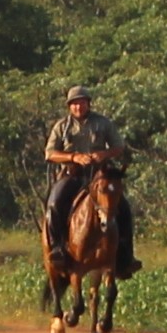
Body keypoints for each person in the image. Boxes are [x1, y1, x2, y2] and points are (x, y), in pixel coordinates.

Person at [41, 85, 138, 275]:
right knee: (54, 204)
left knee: (124, 208)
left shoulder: (103, 123)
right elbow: (49, 154)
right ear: (70, 106)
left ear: (88, 104)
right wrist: (73, 157)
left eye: (82, 103)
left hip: (99, 176)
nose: (79, 107)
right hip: (72, 175)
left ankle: (126, 256)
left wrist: (103, 154)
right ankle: (57, 249)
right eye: (75, 104)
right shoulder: (62, 126)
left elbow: (119, 146)